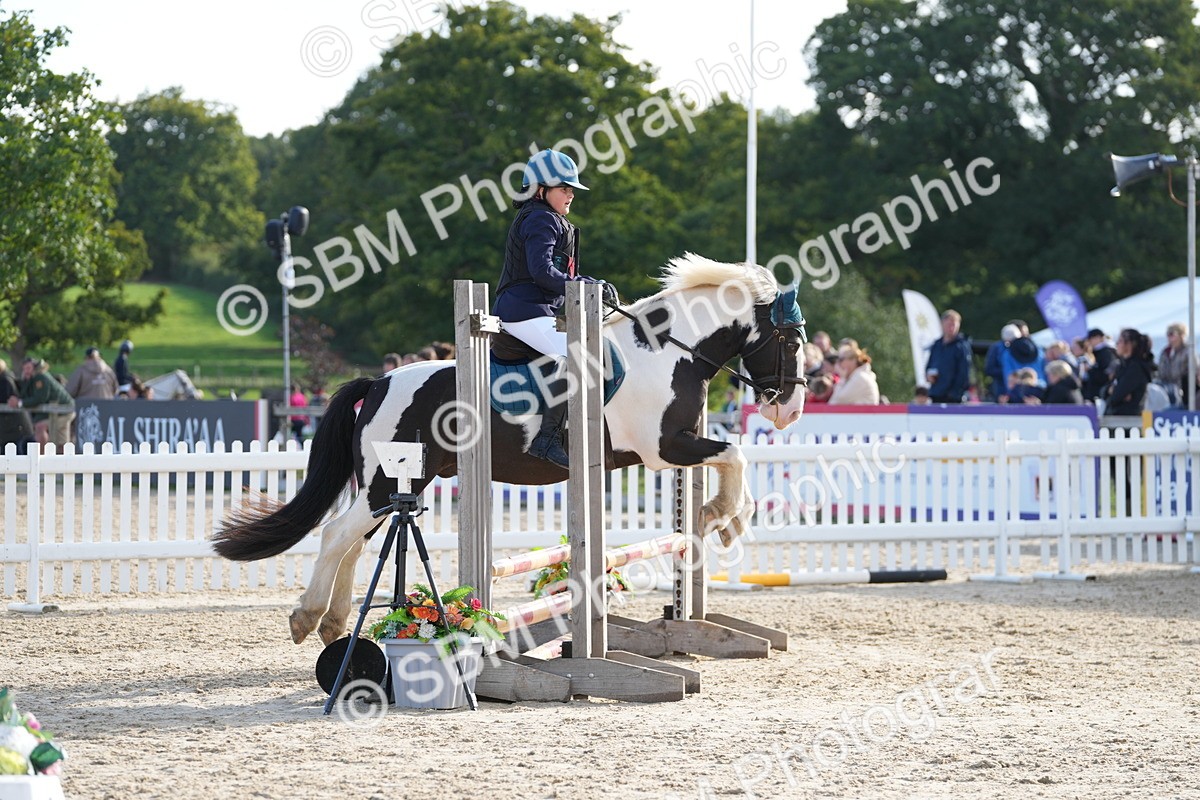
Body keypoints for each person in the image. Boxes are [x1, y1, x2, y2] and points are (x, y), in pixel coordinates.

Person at [492, 148, 610, 468]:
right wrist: (586, 285)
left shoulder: (551, 218)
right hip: (523, 311)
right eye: (564, 188)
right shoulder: (541, 218)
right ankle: (546, 438)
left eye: (572, 189)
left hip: (536, 311)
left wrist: (592, 283)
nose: (571, 194)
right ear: (540, 190)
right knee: (579, 354)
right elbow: (542, 272)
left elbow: (562, 276)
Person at [9, 359, 75, 450]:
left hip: (62, 410)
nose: (26, 371)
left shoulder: (40, 377)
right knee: (61, 440)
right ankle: (62, 456)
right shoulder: (32, 379)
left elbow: (40, 398)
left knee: (40, 427)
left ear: (34, 367)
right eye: (24, 369)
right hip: (62, 409)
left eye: (28, 368)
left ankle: (41, 454)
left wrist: (19, 403)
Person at [924, 310, 972, 403]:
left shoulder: (961, 346)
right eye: (949, 324)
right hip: (936, 393)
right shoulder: (936, 345)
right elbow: (929, 366)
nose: (951, 328)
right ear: (942, 324)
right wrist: (928, 375)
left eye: (954, 325)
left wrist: (954, 393)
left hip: (953, 397)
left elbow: (964, 373)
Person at [1104, 328, 1155, 415]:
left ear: (1130, 344)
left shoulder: (1136, 368)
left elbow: (1116, 396)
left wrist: (1114, 391)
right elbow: (1104, 392)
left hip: (1129, 418)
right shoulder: (1122, 365)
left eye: (1120, 341)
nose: (1117, 344)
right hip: (1114, 415)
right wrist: (1110, 390)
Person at [1156, 322, 1197, 408]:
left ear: (1181, 335)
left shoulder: (1188, 352)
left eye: (1172, 334)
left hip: (1182, 393)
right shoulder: (1165, 352)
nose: (1169, 338)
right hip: (1166, 390)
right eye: (1168, 335)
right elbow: (1161, 373)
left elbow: (1194, 372)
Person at [0, 359, 34, 452]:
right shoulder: (7, 378)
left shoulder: (5, 380)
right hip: (11, 427)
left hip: (13, 427)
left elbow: (4, 398)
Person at [1083, 328, 1117, 402]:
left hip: (1101, 394)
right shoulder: (1097, 352)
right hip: (1097, 393)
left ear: (1098, 338)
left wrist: (1090, 370)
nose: (1089, 342)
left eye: (1091, 339)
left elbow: (1107, 375)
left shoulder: (1106, 353)